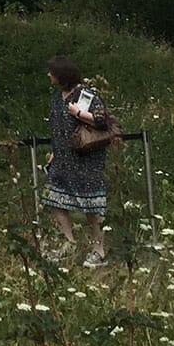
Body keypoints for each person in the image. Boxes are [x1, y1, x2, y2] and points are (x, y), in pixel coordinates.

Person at [43, 55, 113, 266]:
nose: (49, 75)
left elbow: (102, 120)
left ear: (62, 75)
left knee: (90, 205)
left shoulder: (85, 94)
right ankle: (68, 243)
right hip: (63, 159)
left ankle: (98, 250)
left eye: (52, 72)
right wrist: (56, 152)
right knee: (55, 199)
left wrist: (80, 113)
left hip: (86, 160)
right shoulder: (58, 96)